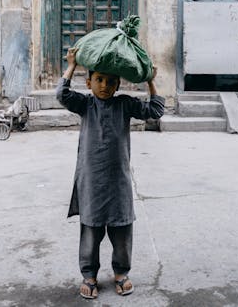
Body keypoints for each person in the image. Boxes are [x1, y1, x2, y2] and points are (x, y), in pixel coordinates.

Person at [56, 47, 165, 300]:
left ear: (117, 85)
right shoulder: (85, 104)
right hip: (92, 180)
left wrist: (151, 80)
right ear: (89, 82)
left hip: (118, 180)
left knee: (122, 228)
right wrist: (71, 65)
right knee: (91, 230)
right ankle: (89, 275)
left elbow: (155, 111)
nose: (104, 86)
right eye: (99, 80)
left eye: (110, 82)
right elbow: (62, 94)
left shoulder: (124, 105)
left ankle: (121, 273)